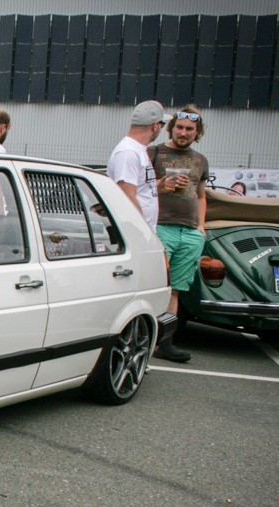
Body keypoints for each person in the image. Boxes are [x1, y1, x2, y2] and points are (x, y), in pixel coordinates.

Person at [149, 105, 210, 363]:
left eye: (189, 129)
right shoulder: (154, 152)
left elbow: (201, 195)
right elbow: (140, 188)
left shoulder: (200, 160)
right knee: (155, 286)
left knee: (175, 290)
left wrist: (201, 227)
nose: (183, 133)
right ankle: (144, 339)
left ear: (197, 133)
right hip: (161, 227)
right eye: (180, 127)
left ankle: (165, 343)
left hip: (190, 232)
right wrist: (163, 184)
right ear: (171, 128)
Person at [106, 100, 169, 229]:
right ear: (155, 126)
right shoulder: (128, 152)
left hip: (140, 232)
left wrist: (158, 186)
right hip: (134, 232)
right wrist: (144, 230)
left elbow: (138, 189)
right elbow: (127, 197)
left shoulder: (137, 149)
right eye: (162, 125)